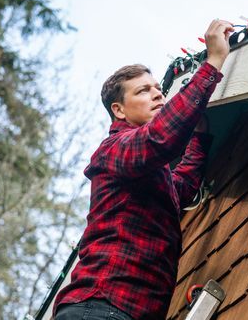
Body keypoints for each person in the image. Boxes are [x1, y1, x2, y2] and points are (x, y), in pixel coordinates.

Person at [53, 19, 235, 320]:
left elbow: (180, 189)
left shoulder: (149, 171)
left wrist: (199, 136)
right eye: (142, 91)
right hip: (98, 308)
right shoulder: (114, 150)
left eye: (157, 88)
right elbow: (161, 138)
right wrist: (213, 61)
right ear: (119, 110)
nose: (157, 94)